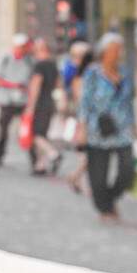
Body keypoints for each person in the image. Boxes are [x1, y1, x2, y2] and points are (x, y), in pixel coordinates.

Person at [78, 32, 137, 222]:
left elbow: (129, 102)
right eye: (113, 49)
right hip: (99, 127)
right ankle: (104, 208)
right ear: (104, 51)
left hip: (122, 128)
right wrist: (82, 128)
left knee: (127, 170)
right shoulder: (93, 73)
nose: (117, 53)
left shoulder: (125, 72)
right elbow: (85, 102)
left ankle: (110, 198)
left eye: (119, 49)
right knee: (98, 173)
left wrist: (133, 125)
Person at [0, 34, 31, 173]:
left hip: (23, 100)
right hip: (7, 100)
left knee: (29, 130)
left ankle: (35, 161)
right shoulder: (4, 59)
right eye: (20, 47)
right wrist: (13, 85)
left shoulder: (29, 61)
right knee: (3, 131)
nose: (22, 50)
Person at [24, 37, 61, 176]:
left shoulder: (39, 65)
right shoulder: (53, 65)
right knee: (42, 133)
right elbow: (58, 84)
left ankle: (53, 154)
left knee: (36, 135)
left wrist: (30, 106)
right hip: (50, 101)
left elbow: (35, 86)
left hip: (40, 103)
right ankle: (41, 165)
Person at [60, 40, 92, 194]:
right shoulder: (75, 72)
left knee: (87, 151)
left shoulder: (81, 70)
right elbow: (77, 96)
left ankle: (77, 177)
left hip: (83, 116)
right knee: (88, 150)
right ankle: (78, 177)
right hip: (83, 117)